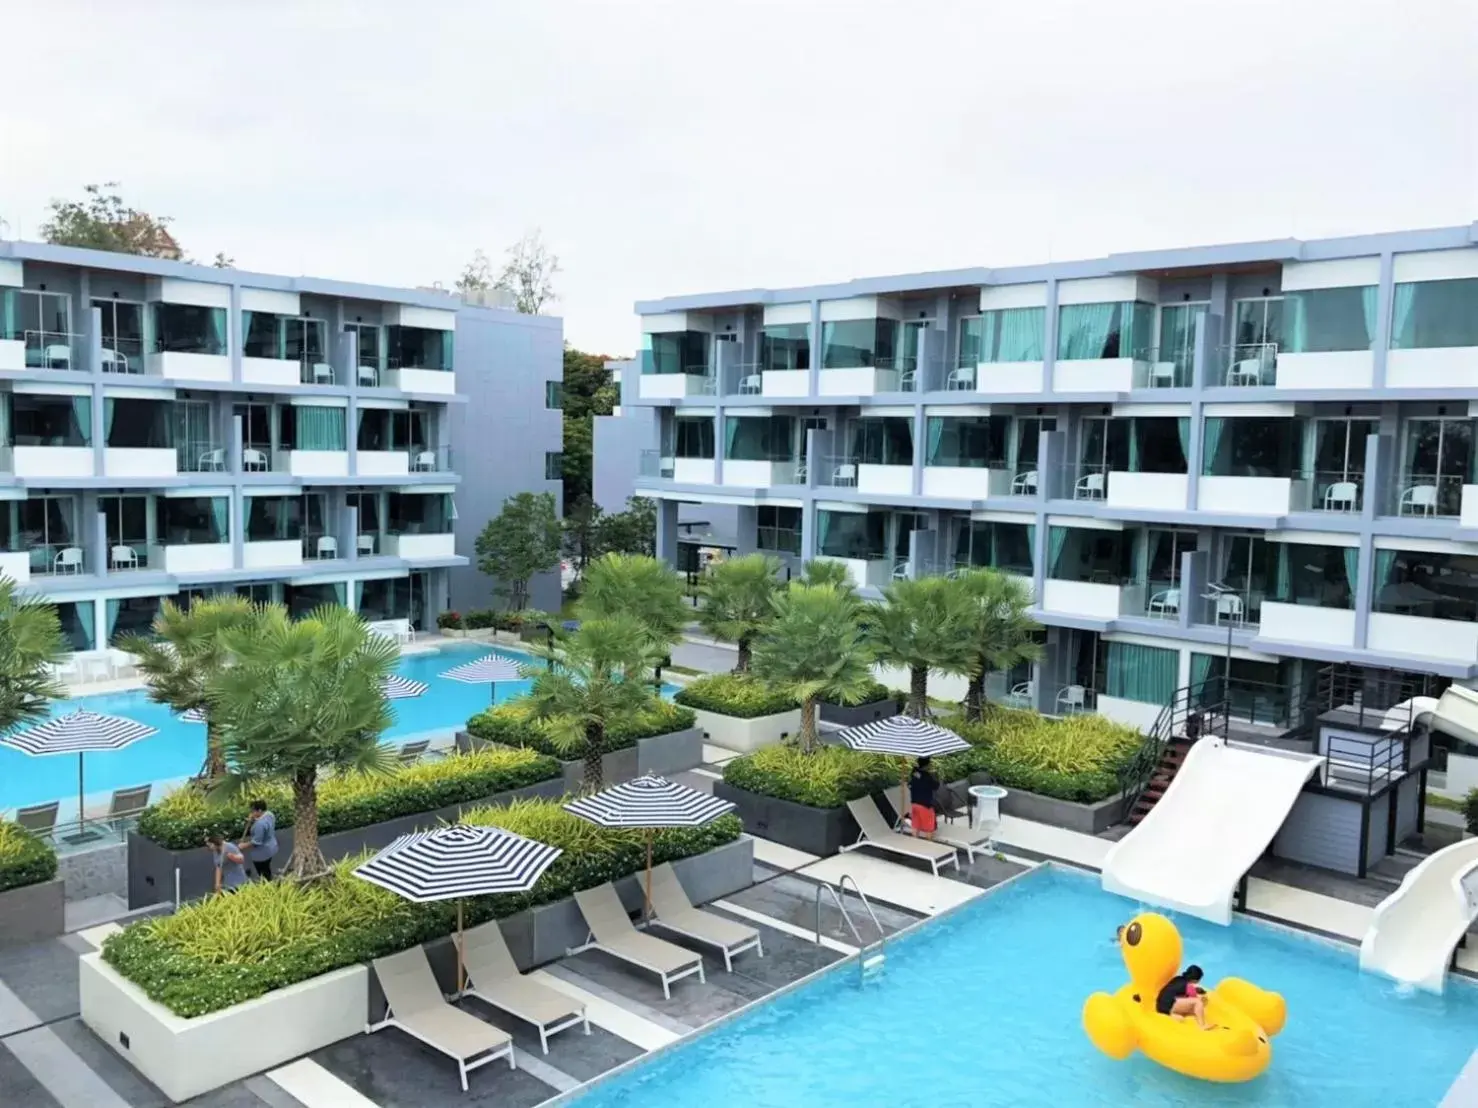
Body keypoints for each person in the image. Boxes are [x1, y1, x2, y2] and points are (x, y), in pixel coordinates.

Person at [1156, 964, 1215, 1030]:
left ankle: (1173, 1016)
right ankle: (1202, 1026)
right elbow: (1194, 1000)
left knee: (1185, 1014)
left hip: (1160, 1006)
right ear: (1196, 979)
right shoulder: (1188, 985)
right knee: (1198, 1002)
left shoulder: (1178, 978)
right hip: (1168, 1005)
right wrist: (1202, 999)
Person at [239, 799, 279, 880]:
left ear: (259, 810)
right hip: (272, 846)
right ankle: (269, 878)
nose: (251, 813)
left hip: (262, 854)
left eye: (253, 811)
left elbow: (256, 842)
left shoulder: (259, 825)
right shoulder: (269, 814)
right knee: (267, 868)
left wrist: (243, 845)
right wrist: (253, 819)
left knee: (262, 871)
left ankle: (267, 883)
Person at [909, 756, 939, 839]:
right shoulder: (927, 776)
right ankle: (928, 845)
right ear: (927, 765)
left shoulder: (914, 772)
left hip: (914, 803)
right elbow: (936, 786)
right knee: (929, 828)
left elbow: (917, 778)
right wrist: (934, 775)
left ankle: (915, 842)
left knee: (916, 825)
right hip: (925, 805)